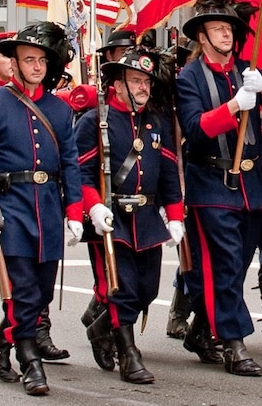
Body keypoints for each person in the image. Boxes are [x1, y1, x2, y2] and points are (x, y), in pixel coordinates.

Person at [0, 22, 84, 397]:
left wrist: (75, 210)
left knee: (41, 292)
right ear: (14, 63)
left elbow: (71, 162)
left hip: (48, 207)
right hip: (11, 205)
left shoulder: (58, 109)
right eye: (29, 60)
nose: (36, 66)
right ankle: (30, 361)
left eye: (41, 60)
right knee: (24, 290)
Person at [174, 0, 262, 377]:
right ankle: (234, 342)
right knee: (223, 265)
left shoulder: (247, 70)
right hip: (211, 184)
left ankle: (201, 330)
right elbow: (194, 128)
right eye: (218, 28)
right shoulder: (189, 77)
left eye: (229, 28)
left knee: (237, 267)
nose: (226, 34)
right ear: (202, 37)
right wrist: (232, 107)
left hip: (251, 188)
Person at [75, 45, 184, 384]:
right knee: (121, 289)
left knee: (147, 290)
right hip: (111, 217)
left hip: (147, 217)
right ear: (118, 84)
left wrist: (175, 215)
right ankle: (129, 355)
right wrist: (93, 206)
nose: (143, 87)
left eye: (146, 82)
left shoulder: (156, 122)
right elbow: (80, 173)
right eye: (136, 80)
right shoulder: (96, 121)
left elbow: (168, 172)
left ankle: (99, 328)